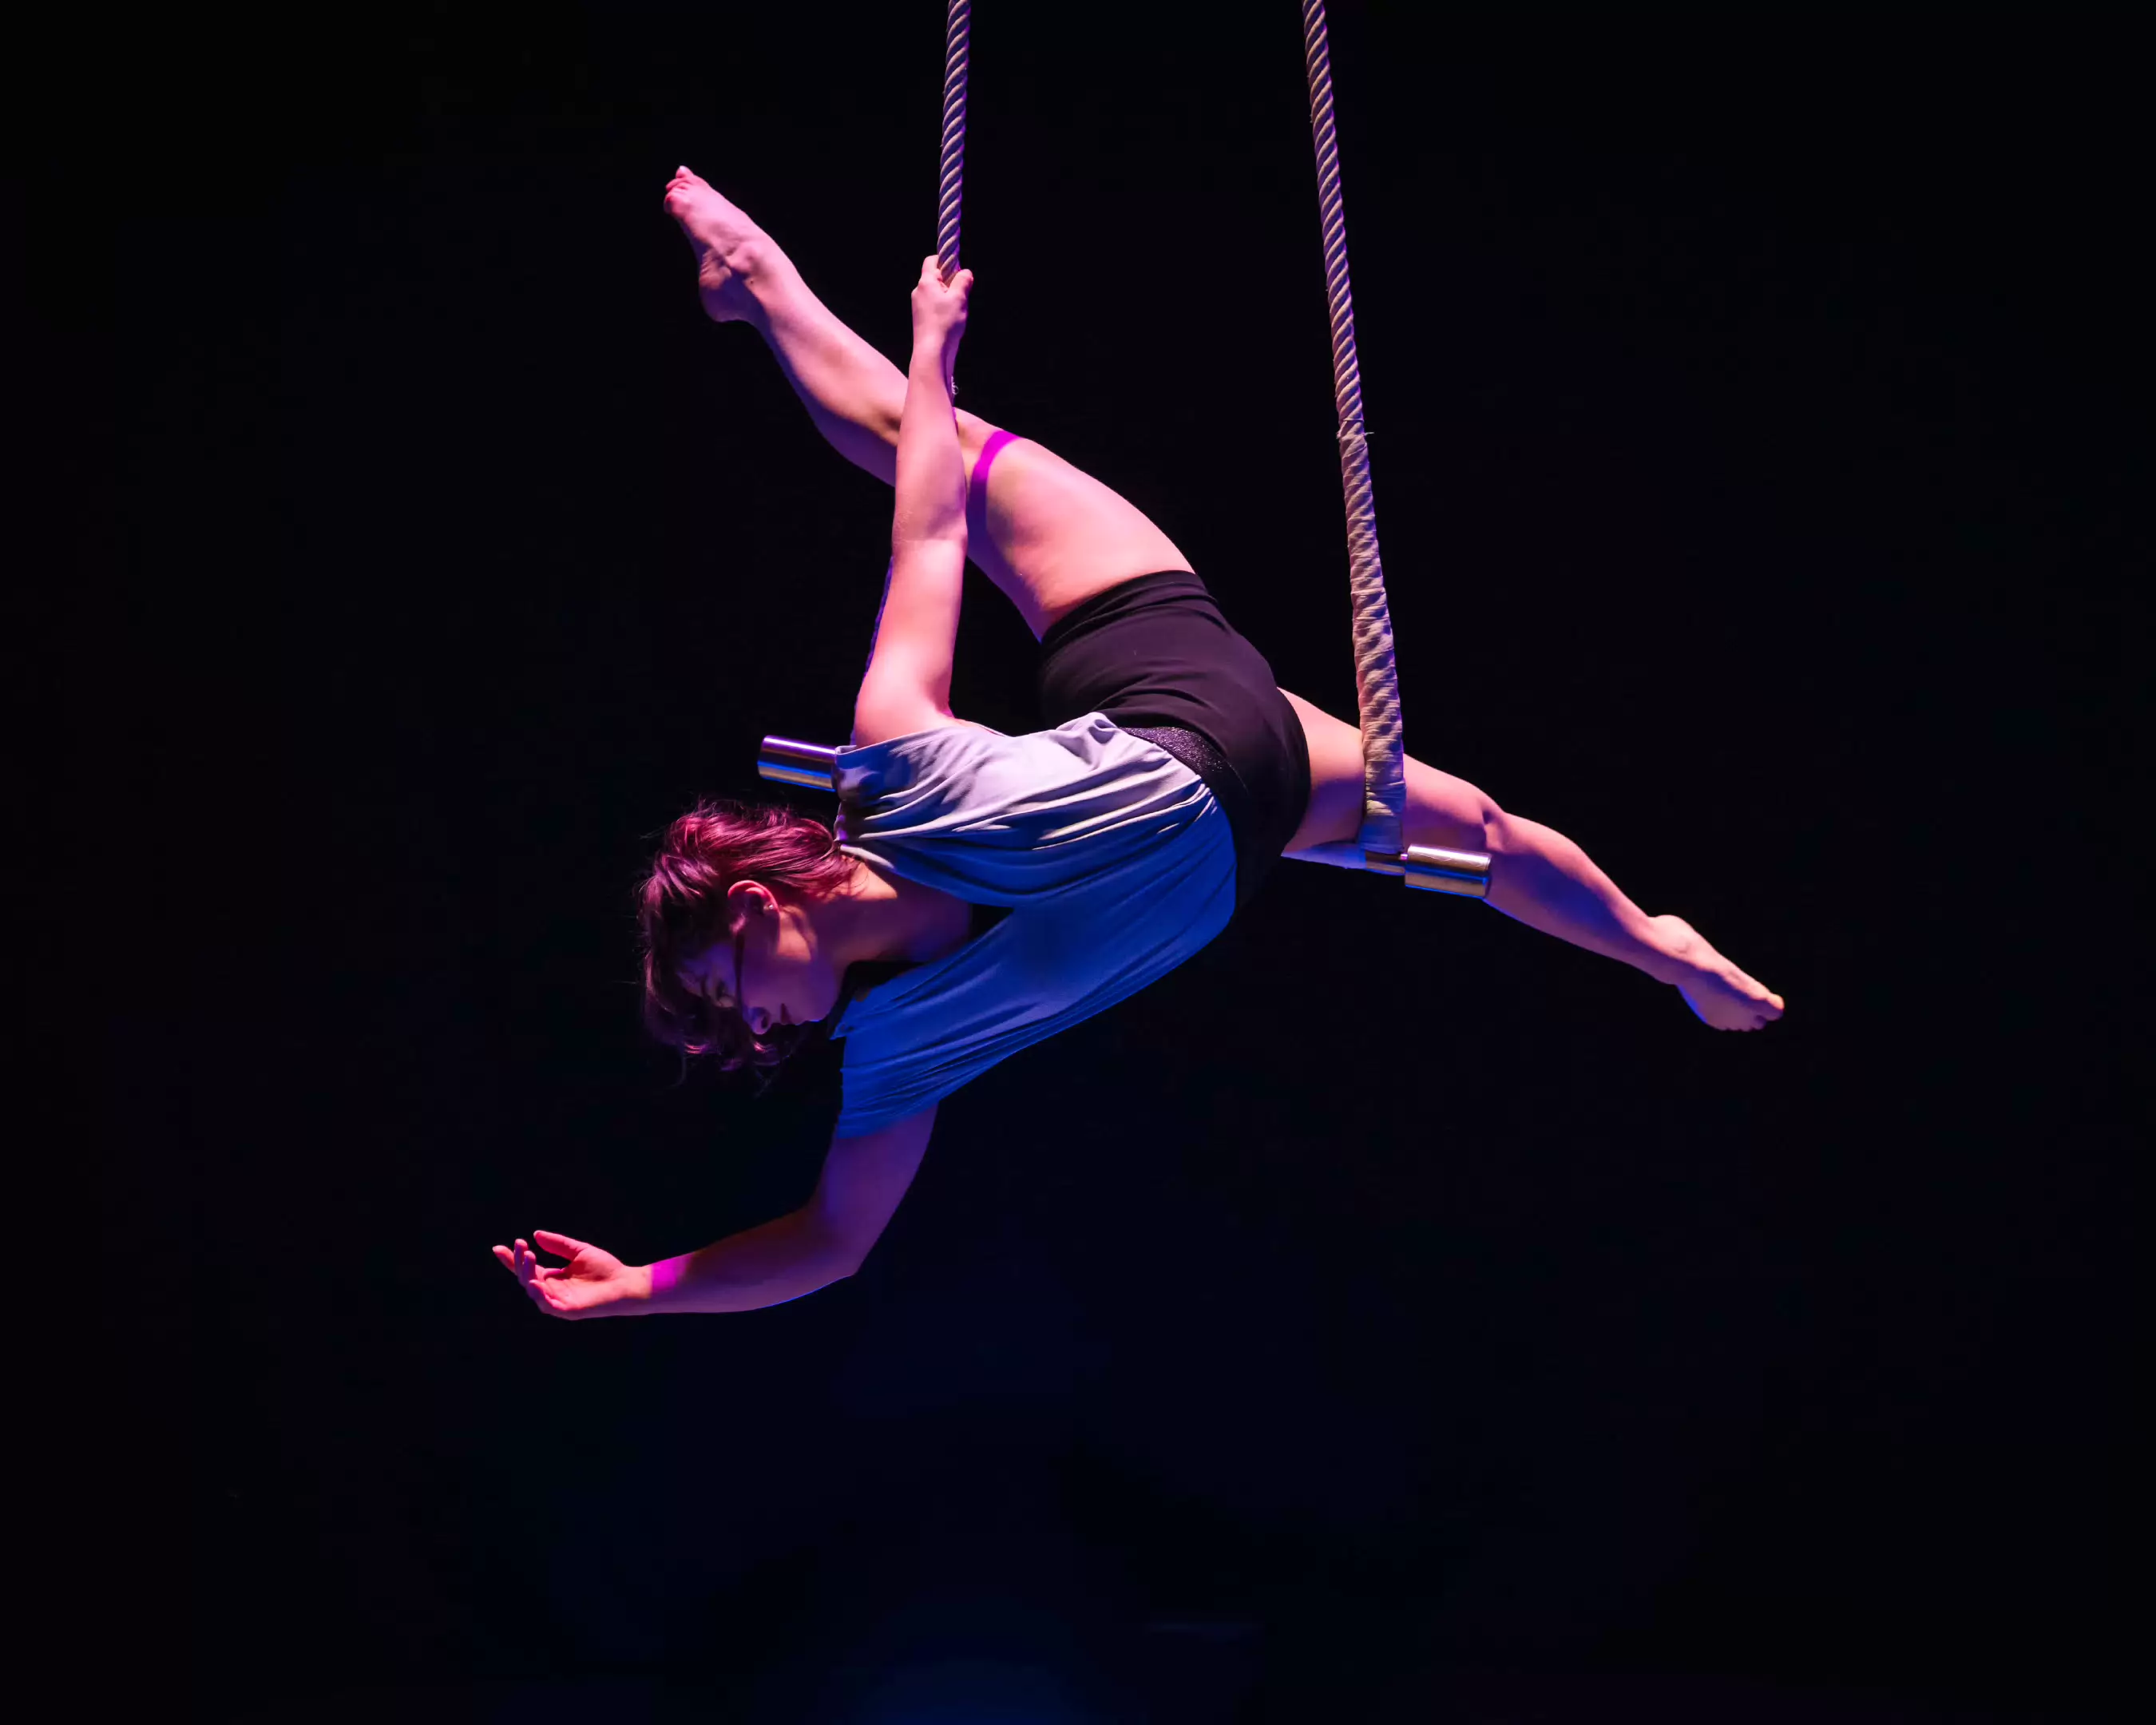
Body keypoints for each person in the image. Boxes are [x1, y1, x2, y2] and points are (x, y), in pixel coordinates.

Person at [493, 168, 1784, 1321]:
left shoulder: (897, 765)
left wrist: (934, 354)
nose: (752, 1033)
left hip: (1146, 649)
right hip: (1263, 790)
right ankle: (1657, 949)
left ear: (760, 901)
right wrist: (635, 1292)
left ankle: (761, 286)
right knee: (1487, 838)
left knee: (914, 441)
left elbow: (931, 537)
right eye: (728, 1031)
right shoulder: (902, 1045)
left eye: (723, 989)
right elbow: (832, 1244)